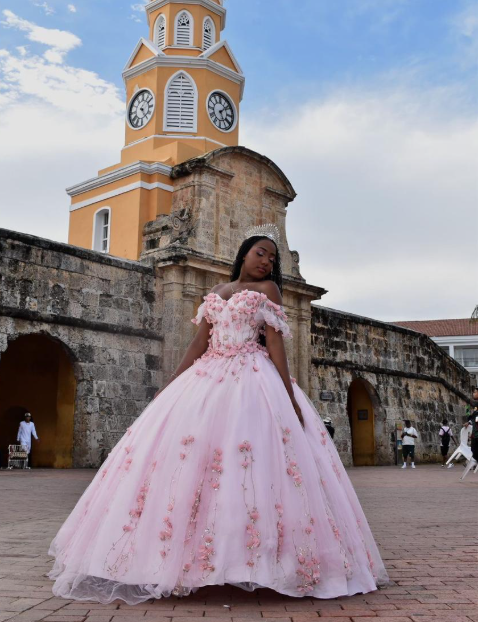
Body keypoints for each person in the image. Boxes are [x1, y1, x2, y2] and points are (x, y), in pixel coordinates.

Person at [48, 225, 389, 603]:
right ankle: (179, 562)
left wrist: (289, 394)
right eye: (261, 253)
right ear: (244, 253)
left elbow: (275, 344)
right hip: (206, 377)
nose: (266, 262)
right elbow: (199, 342)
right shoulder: (215, 293)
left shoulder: (268, 292)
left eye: (273, 258)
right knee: (187, 463)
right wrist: (172, 383)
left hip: (252, 378)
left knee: (247, 465)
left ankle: (253, 562)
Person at [464, 388, 478, 463]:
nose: (473, 393)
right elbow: (471, 416)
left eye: (475, 392)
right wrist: (467, 407)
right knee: (473, 451)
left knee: (475, 452)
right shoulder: (476, 405)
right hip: (475, 434)